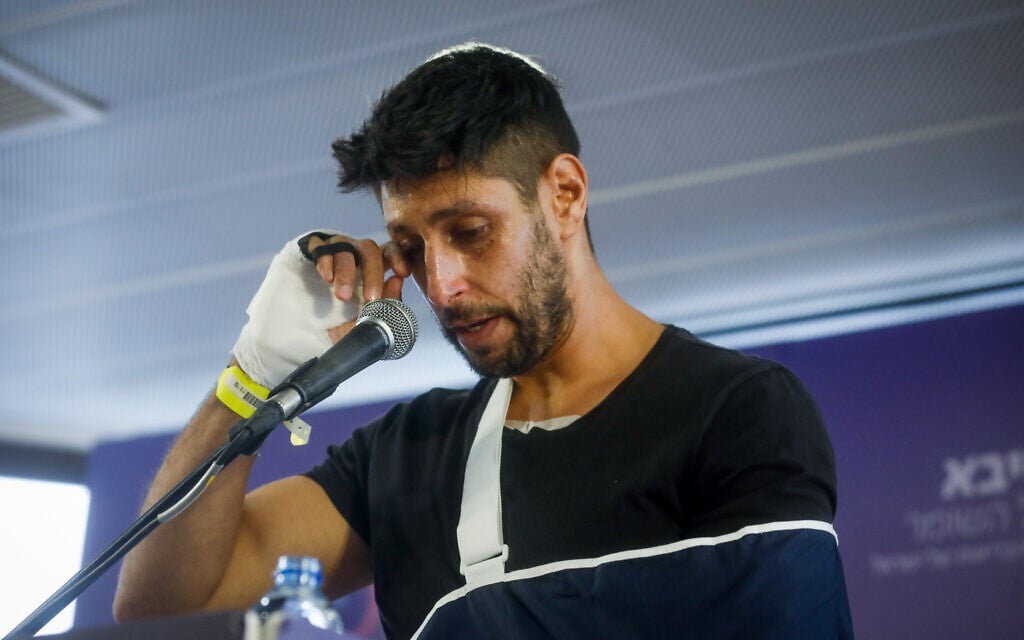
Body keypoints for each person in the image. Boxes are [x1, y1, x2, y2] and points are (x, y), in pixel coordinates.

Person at [114, 43, 853, 639]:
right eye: (410, 247)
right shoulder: (407, 451)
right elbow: (164, 601)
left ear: (564, 195)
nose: (442, 285)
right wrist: (249, 374)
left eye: (471, 232)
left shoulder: (735, 410)